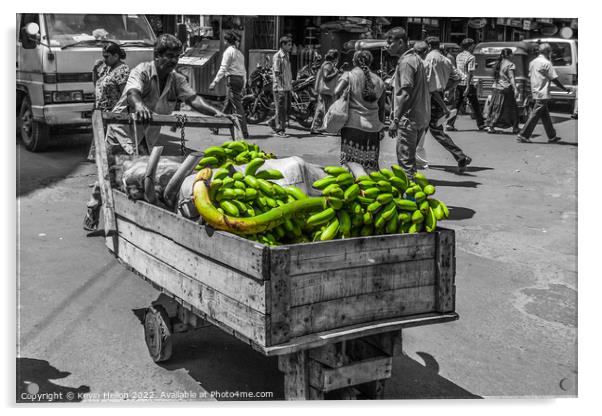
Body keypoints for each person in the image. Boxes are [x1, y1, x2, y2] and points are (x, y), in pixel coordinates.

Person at [83, 34, 225, 232]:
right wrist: (140, 106)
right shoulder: (142, 71)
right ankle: (94, 205)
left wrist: (215, 113)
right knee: (109, 174)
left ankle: (135, 221)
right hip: (122, 131)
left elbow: (192, 99)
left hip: (147, 134)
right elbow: (133, 93)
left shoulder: (176, 78)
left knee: (138, 176)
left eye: (177, 56)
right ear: (157, 55)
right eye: (169, 55)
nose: (174, 60)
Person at [386, 27, 431, 180]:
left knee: (405, 164)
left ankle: (409, 199)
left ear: (400, 42)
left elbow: (405, 94)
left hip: (409, 119)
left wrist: (395, 120)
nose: (387, 45)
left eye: (389, 42)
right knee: (409, 161)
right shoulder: (415, 59)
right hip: (420, 117)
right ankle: (412, 196)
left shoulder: (406, 62)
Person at [424, 36, 472, 173]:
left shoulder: (429, 59)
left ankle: (460, 156)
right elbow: (459, 78)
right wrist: (448, 90)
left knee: (428, 131)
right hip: (438, 99)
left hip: (431, 100)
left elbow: (431, 87)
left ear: (428, 45)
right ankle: (460, 156)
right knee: (430, 131)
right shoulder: (446, 60)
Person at [334, 50, 386, 172]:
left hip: (352, 126)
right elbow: (382, 108)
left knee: (350, 168)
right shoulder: (379, 81)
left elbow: (336, 92)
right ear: (370, 62)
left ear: (354, 61)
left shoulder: (349, 75)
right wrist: (381, 127)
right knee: (370, 170)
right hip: (373, 129)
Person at [517, 43, 572, 143]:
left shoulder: (533, 62)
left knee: (544, 115)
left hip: (535, 90)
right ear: (547, 52)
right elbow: (554, 78)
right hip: (543, 92)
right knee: (535, 114)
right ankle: (523, 135)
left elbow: (531, 76)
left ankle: (552, 136)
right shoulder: (547, 63)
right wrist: (564, 88)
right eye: (550, 51)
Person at [86, 43, 130, 161]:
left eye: (106, 56)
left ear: (116, 56)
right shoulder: (107, 68)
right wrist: (94, 70)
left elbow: (125, 94)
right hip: (102, 113)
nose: (104, 59)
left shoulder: (123, 71)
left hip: (113, 115)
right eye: (103, 56)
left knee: (110, 152)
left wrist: (120, 114)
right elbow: (98, 84)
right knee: (100, 153)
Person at [209, 31, 249, 139]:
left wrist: (215, 81)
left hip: (233, 80)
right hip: (239, 80)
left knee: (237, 106)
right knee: (228, 104)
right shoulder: (239, 53)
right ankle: (215, 126)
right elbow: (244, 71)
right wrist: (244, 85)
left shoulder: (228, 52)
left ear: (226, 41)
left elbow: (223, 68)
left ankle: (244, 132)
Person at [446, 38, 485, 131]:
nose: (474, 47)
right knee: (475, 105)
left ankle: (449, 124)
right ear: (470, 46)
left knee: (456, 104)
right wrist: (468, 87)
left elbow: (461, 68)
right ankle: (481, 124)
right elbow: (470, 73)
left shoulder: (458, 56)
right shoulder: (471, 57)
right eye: (473, 45)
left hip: (459, 83)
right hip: (468, 84)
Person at [485, 48, 520, 134]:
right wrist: (515, 89)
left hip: (496, 88)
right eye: (511, 54)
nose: (513, 55)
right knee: (512, 108)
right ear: (509, 55)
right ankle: (515, 127)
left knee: (496, 107)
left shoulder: (498, 63)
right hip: (506, 89)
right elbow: (511, 78)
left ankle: (491, 126)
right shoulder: (510, 64)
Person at [267, 36, 293, 137]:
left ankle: (273, 122)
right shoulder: (277, 56)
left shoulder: (287, 55)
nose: (290, 47)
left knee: (285, 109)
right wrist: (280, 87)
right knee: (281, 109)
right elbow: (277, 73)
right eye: (289, 45)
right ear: (283, 45)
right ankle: (280, 130)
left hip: (286, 87)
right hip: (280, 88)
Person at [310, 49, 340, 134]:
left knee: (326, 110)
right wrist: (336, 73)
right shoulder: (328, 65)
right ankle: (316, 128)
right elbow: (326, 77)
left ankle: (322, 128)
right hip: (326, 91)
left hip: (327, 91)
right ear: (334, 58)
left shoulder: (329, 64)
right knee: (322, 110)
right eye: (337, 58)